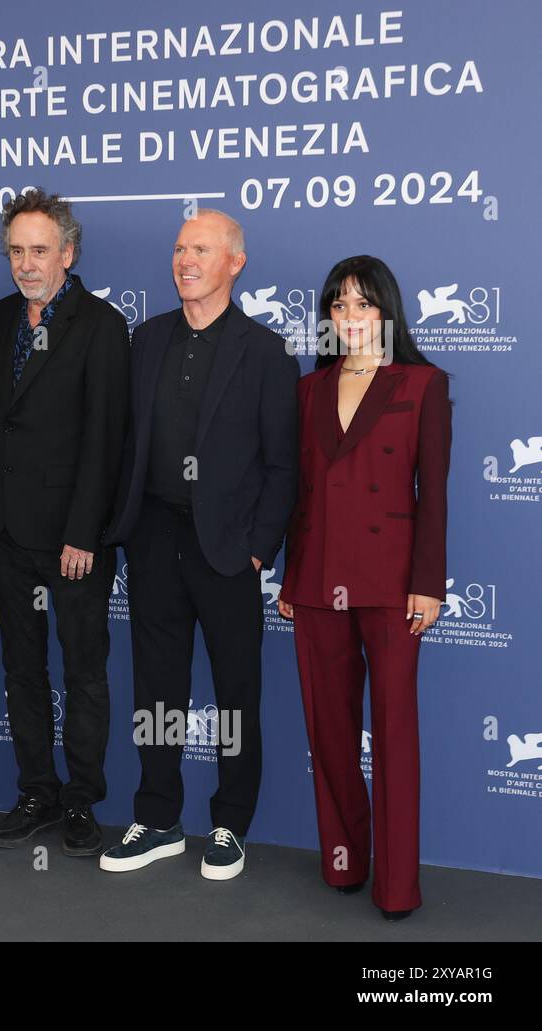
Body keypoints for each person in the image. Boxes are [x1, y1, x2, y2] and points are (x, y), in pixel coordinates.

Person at [102, 210, 299, 880]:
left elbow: (282, 465)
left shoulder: (267, 352)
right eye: (180, 248)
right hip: (154, 537)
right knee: (157, 687)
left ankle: (230, 824)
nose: (186, 259)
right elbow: (130, 440)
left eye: (202, 249)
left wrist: (258, 548)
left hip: (227, 549)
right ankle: (157, 817)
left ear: (235, 263)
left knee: (237, 691)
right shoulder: (147, 338)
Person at [279, 255, 451, 921]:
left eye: (362, 304)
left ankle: (398, 887)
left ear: (387, 310)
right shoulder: (308, 389)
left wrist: (428, 583)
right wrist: (294, 573)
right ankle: (344, 860)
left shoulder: (422, 383)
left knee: (394, 732)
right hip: (319, 578)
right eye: (339, 305)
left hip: (391, 583)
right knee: (330, 729)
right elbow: (302, 491)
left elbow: (431, 494)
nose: (349, 317)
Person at [0, 189, 130, 858]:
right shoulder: (4, 317)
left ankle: (81, 798)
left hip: (72, 539)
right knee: (21, 669)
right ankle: (36, 790)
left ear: (68, 252)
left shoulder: (101, 325)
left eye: (39, 250)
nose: (26, 262)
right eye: (15, 250)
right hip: (6, 531)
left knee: (84, 672)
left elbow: (105, 438)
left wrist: (85, 532)